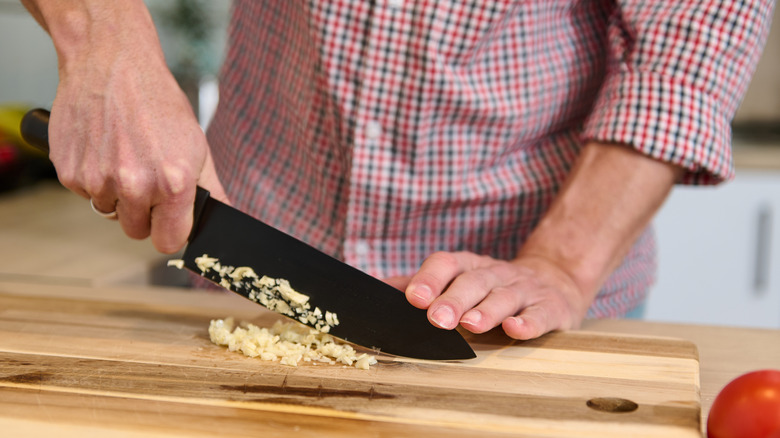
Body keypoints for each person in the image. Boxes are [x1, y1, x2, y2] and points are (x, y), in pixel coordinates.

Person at [21, 1, 774, 341]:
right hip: (256, 234)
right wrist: (103, 36)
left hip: (524, 300)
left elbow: (694, 35)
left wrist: (563, 265)